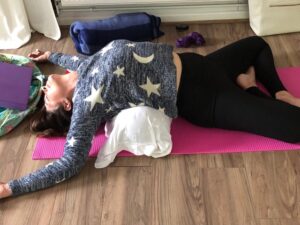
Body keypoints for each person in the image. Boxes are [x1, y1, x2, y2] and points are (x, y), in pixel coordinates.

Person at [1, 36, 300, 199]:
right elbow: (70, 162)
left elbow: (72, 60)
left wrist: (51, 55)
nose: (43, 92)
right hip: (202, 98)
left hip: (200, 65)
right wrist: (11, 188)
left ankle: (280, 93)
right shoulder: (84, 106)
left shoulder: (84, 68)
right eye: (46, 101)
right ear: (66, 106)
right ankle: (251, 91)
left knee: (257, 44)